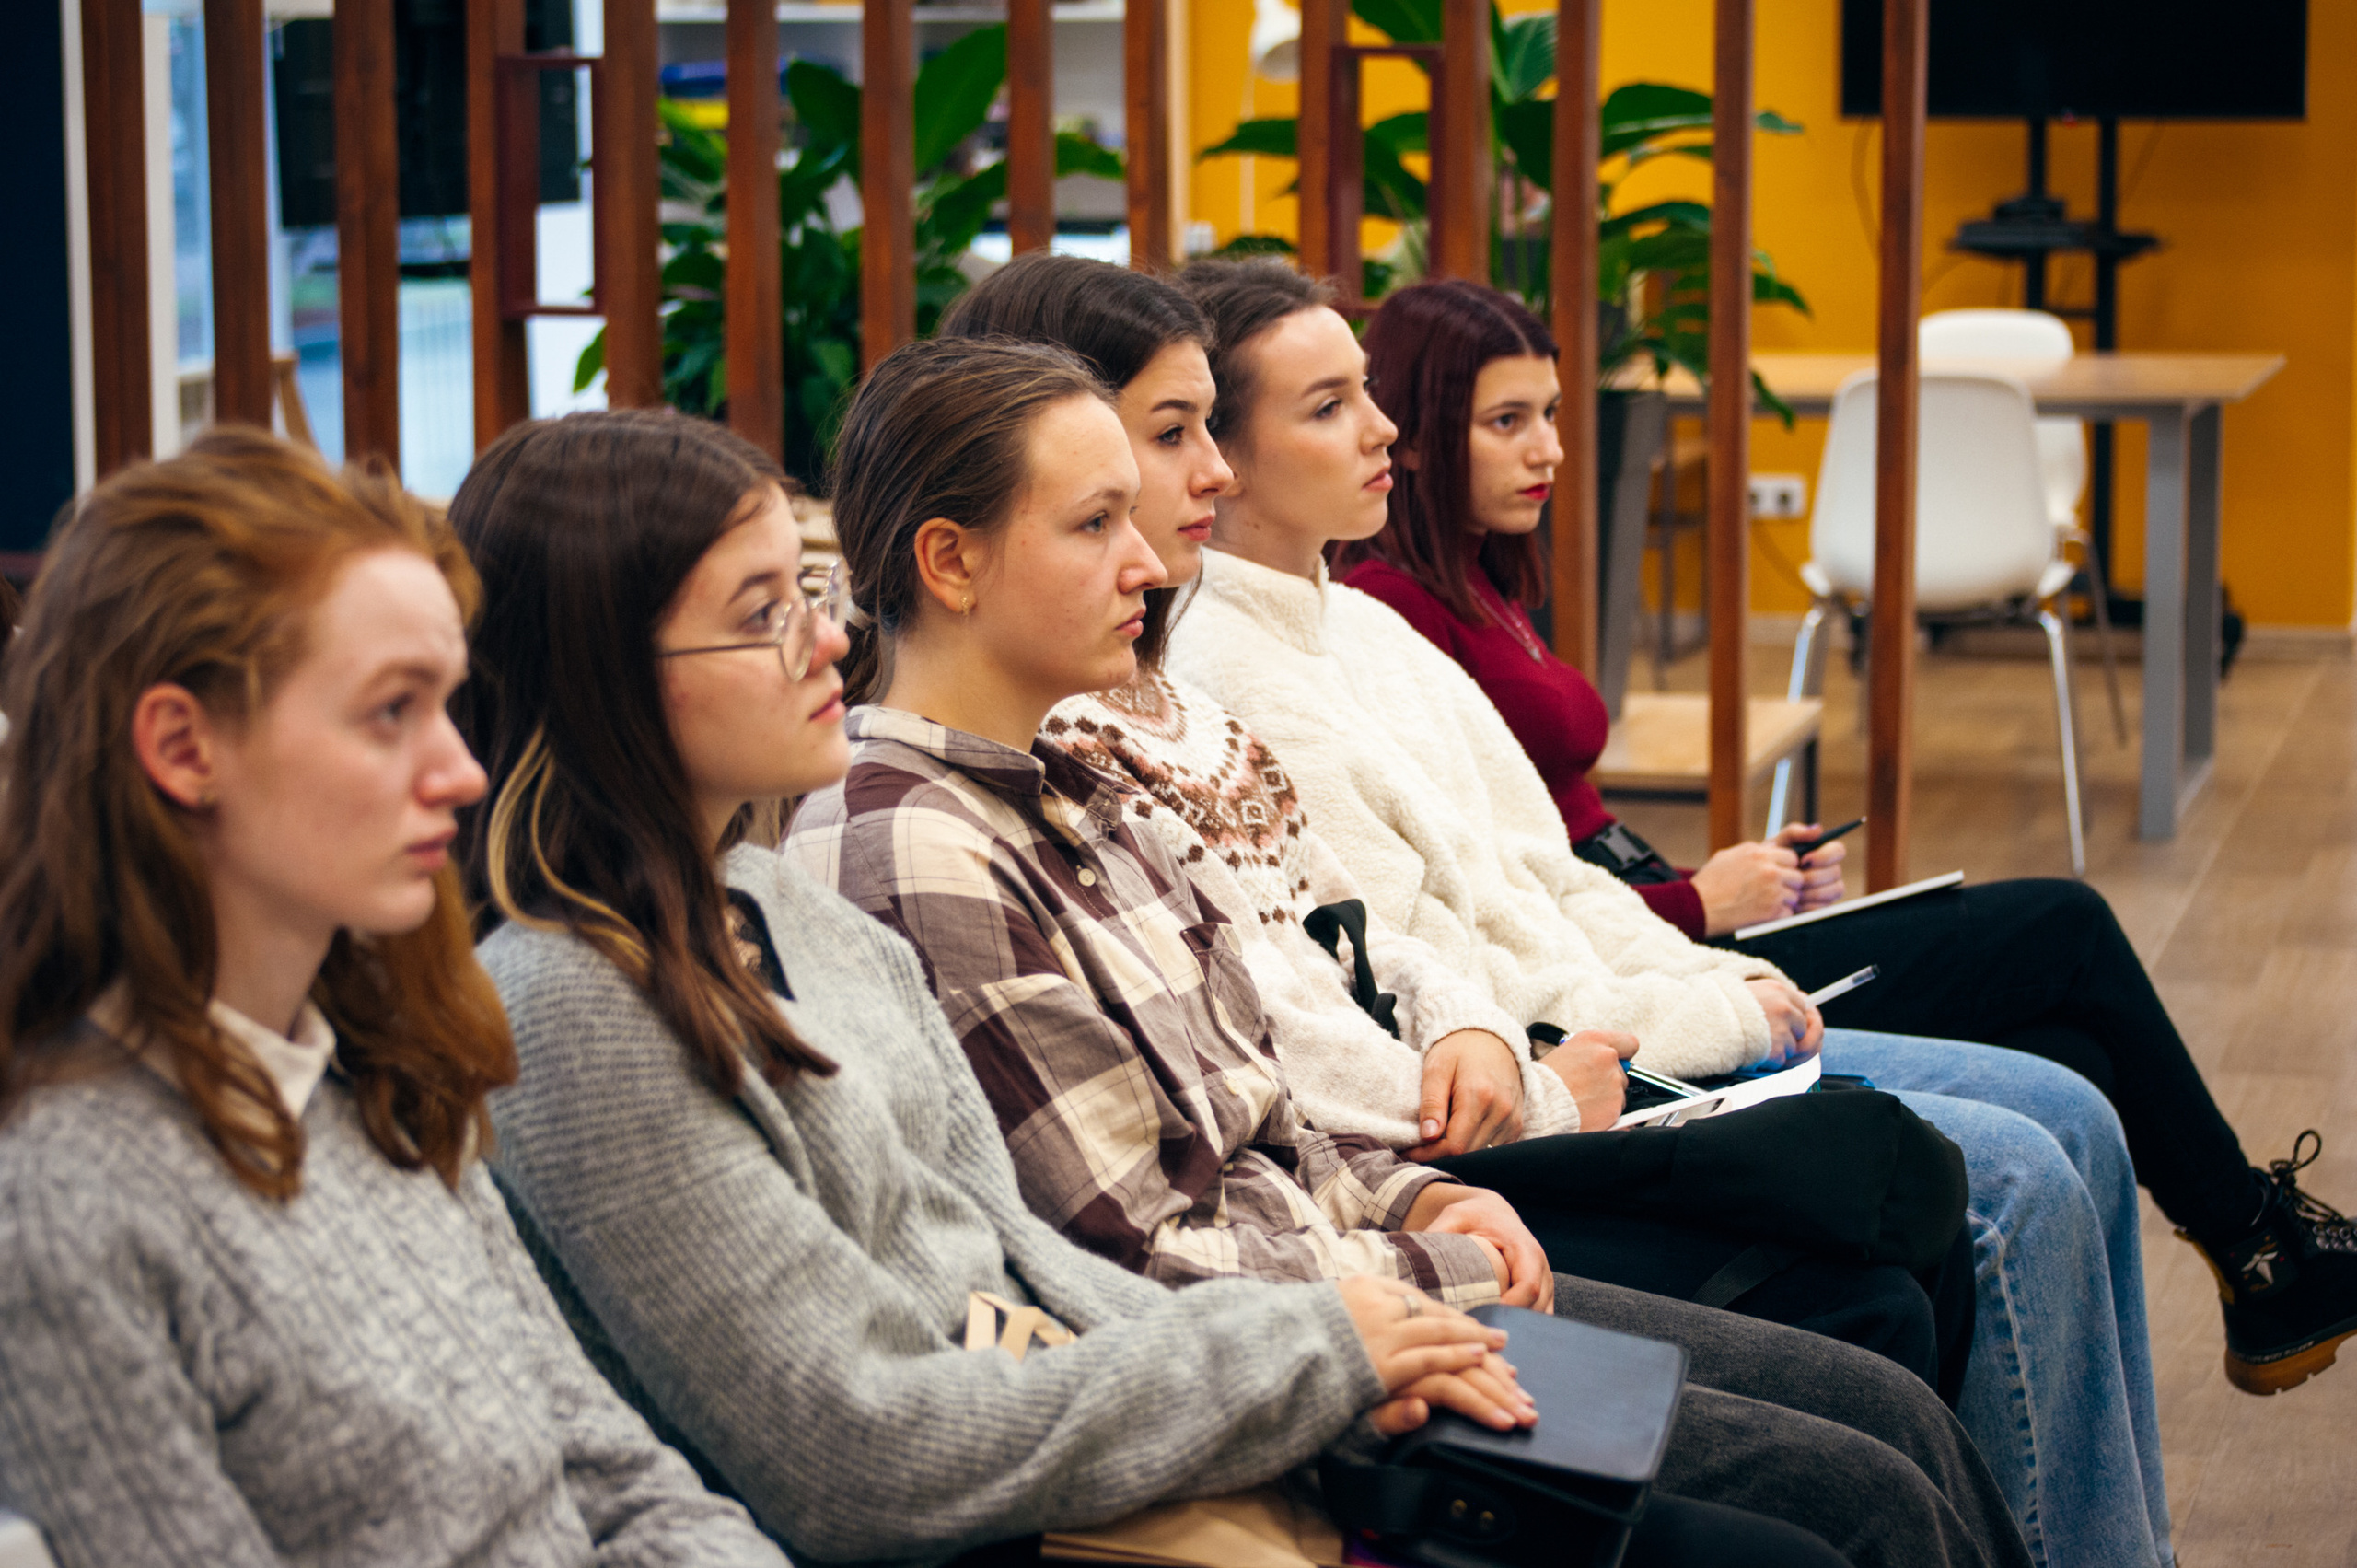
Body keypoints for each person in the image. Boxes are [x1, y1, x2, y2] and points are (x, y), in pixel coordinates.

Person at [454, 405, 2029, 1568]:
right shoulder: (584, 1000)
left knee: (1877, 1424)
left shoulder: (793, 909)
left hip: (1249, 1338)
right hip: (1094, 1472)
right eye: (763, 615)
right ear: (601, 668)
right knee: (1840, 1489)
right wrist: (1330, 1347)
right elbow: (858, 1434)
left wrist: (1377, 1274)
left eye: (807, 593)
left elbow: (1043, 1247)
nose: (826, 639)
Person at [1169, 258, 2176, 1568]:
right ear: (1226, 458)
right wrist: (1704, 999)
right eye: (1328, 406)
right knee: (2015, 1165)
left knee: (2068, 1097)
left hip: (1621, 1018)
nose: (1384, 432)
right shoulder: (1237, 673)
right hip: (1560, 1091)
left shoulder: (1361, 626)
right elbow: (1425, 991)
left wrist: (1701, 967)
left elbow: (1542, 875)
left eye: (1370, 392)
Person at [938, 250, 1973, 1394]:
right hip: (1410, 1188)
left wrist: (1552, 1017)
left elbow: (1407, 921)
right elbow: (1269, 1067)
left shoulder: (1247, 676)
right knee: (1910, 1213)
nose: (1213, 471)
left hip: (1465, 1124)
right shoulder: (1118, 723)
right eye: (1176, 433)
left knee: (1928, 1181)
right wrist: (1563, 1072)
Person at [1338, 278, 2357, 1401]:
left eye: (1550, 414)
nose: (1549, 450)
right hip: (1653, 970)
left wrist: (1712, 881)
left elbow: (1564, 852)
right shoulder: (1391, 615)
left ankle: (2244, 1270)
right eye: (1507, 421)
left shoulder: (1482, 583)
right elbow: (1500, 891)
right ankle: (2260, 1242)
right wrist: (1702, 906)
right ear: (1419, 434)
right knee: (2065, 924)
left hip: (1657, 919)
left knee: (2082, 1055)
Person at [0, 429, 784, 1568]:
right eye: (389, 712)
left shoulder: (384, 1071)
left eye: (448, 705)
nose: (461, 771)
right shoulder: (60, 1206)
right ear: (183, 745)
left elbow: (621, 1480)